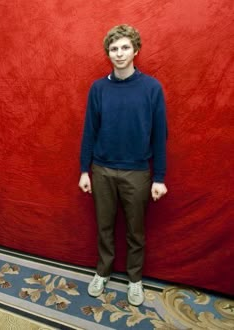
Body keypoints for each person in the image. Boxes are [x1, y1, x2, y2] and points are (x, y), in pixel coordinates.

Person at [79, 24, 168, 306]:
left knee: (135, 230)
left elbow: (159, 134)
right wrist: (84, 169)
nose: (119, 53)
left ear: (135, 51)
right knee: (104, 226)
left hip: (138, 172)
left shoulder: (151, 88)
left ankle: (134, 280)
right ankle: (102, 272)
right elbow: (89, 131)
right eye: (114, 48)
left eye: (125, 47)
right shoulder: (98, 88)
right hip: (102, 170)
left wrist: (160, 177)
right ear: (108, 53)